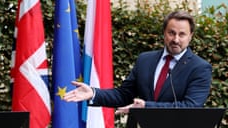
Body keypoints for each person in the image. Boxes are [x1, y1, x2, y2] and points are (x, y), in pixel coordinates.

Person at [63, 10, 212, 114]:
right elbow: (124, 95)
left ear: (190, 36)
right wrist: (94, 93)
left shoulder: (199, 68)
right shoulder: (145, 60)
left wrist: (147, 107)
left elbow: (190, 107)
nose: (176, 39)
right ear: (164, 33)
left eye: (182, 34)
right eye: (171, 33)